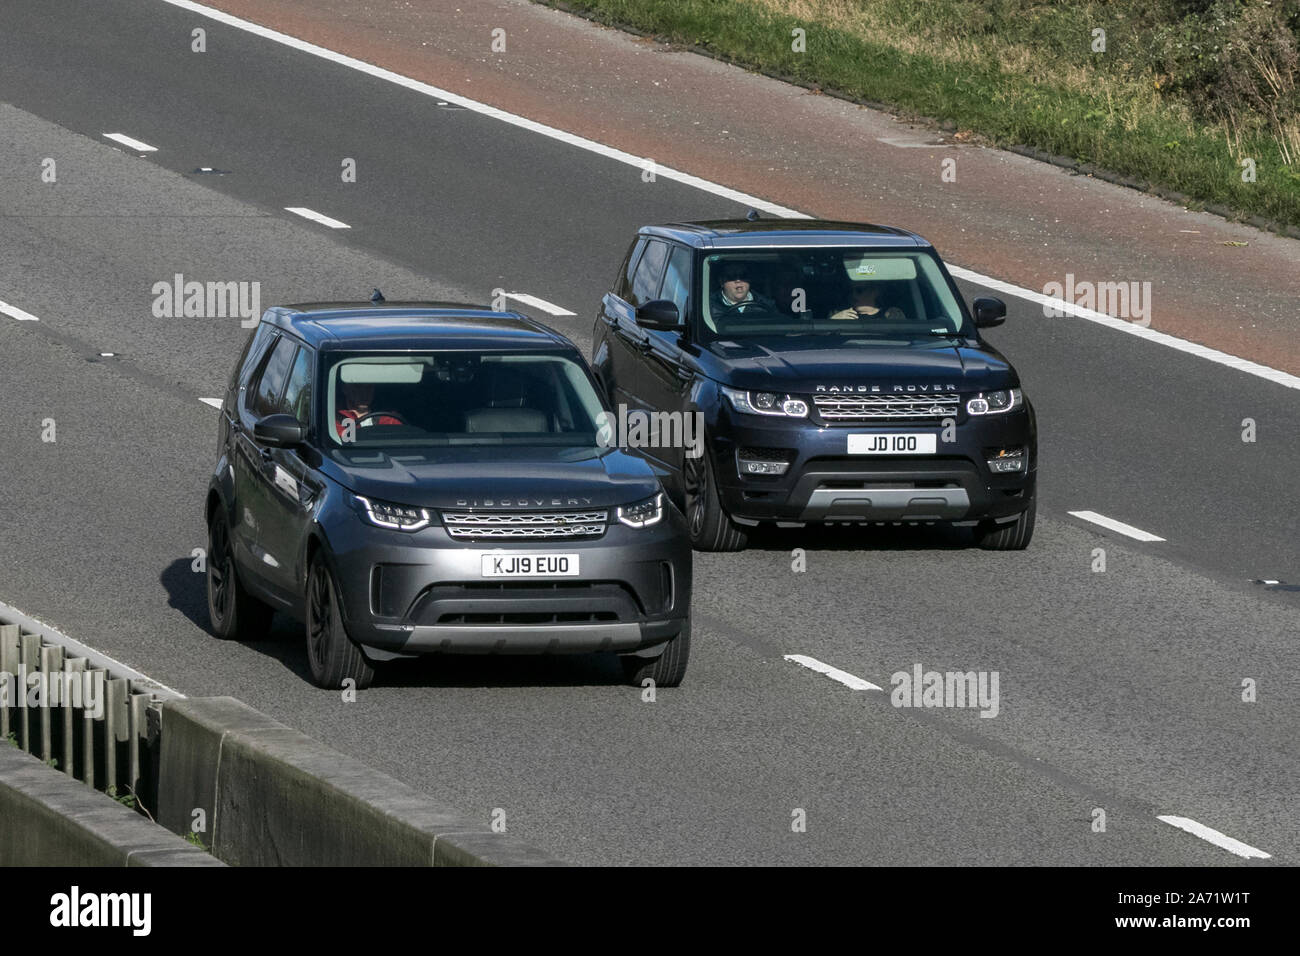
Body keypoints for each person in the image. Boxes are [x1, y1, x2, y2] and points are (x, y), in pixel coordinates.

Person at [335, 380, 404, 438]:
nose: (364, 393)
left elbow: (402, 440)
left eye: (369, 387)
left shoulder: (390, 419)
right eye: (358, 387)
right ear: (345, 389)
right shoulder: (335, 421)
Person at [708, 261, 775, 318]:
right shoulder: (708, 306)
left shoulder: (767, 305)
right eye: (732, 276)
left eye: (743, 276)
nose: (738, 280)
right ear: (721, 282)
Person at [829, 281, 907, 321]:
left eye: (859, 290)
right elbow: (822, 340)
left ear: (875, 292)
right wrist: (832, 322)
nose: (853, 295)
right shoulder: (838, 313)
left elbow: (904, 338)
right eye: (850, 291)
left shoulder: (892, 314)